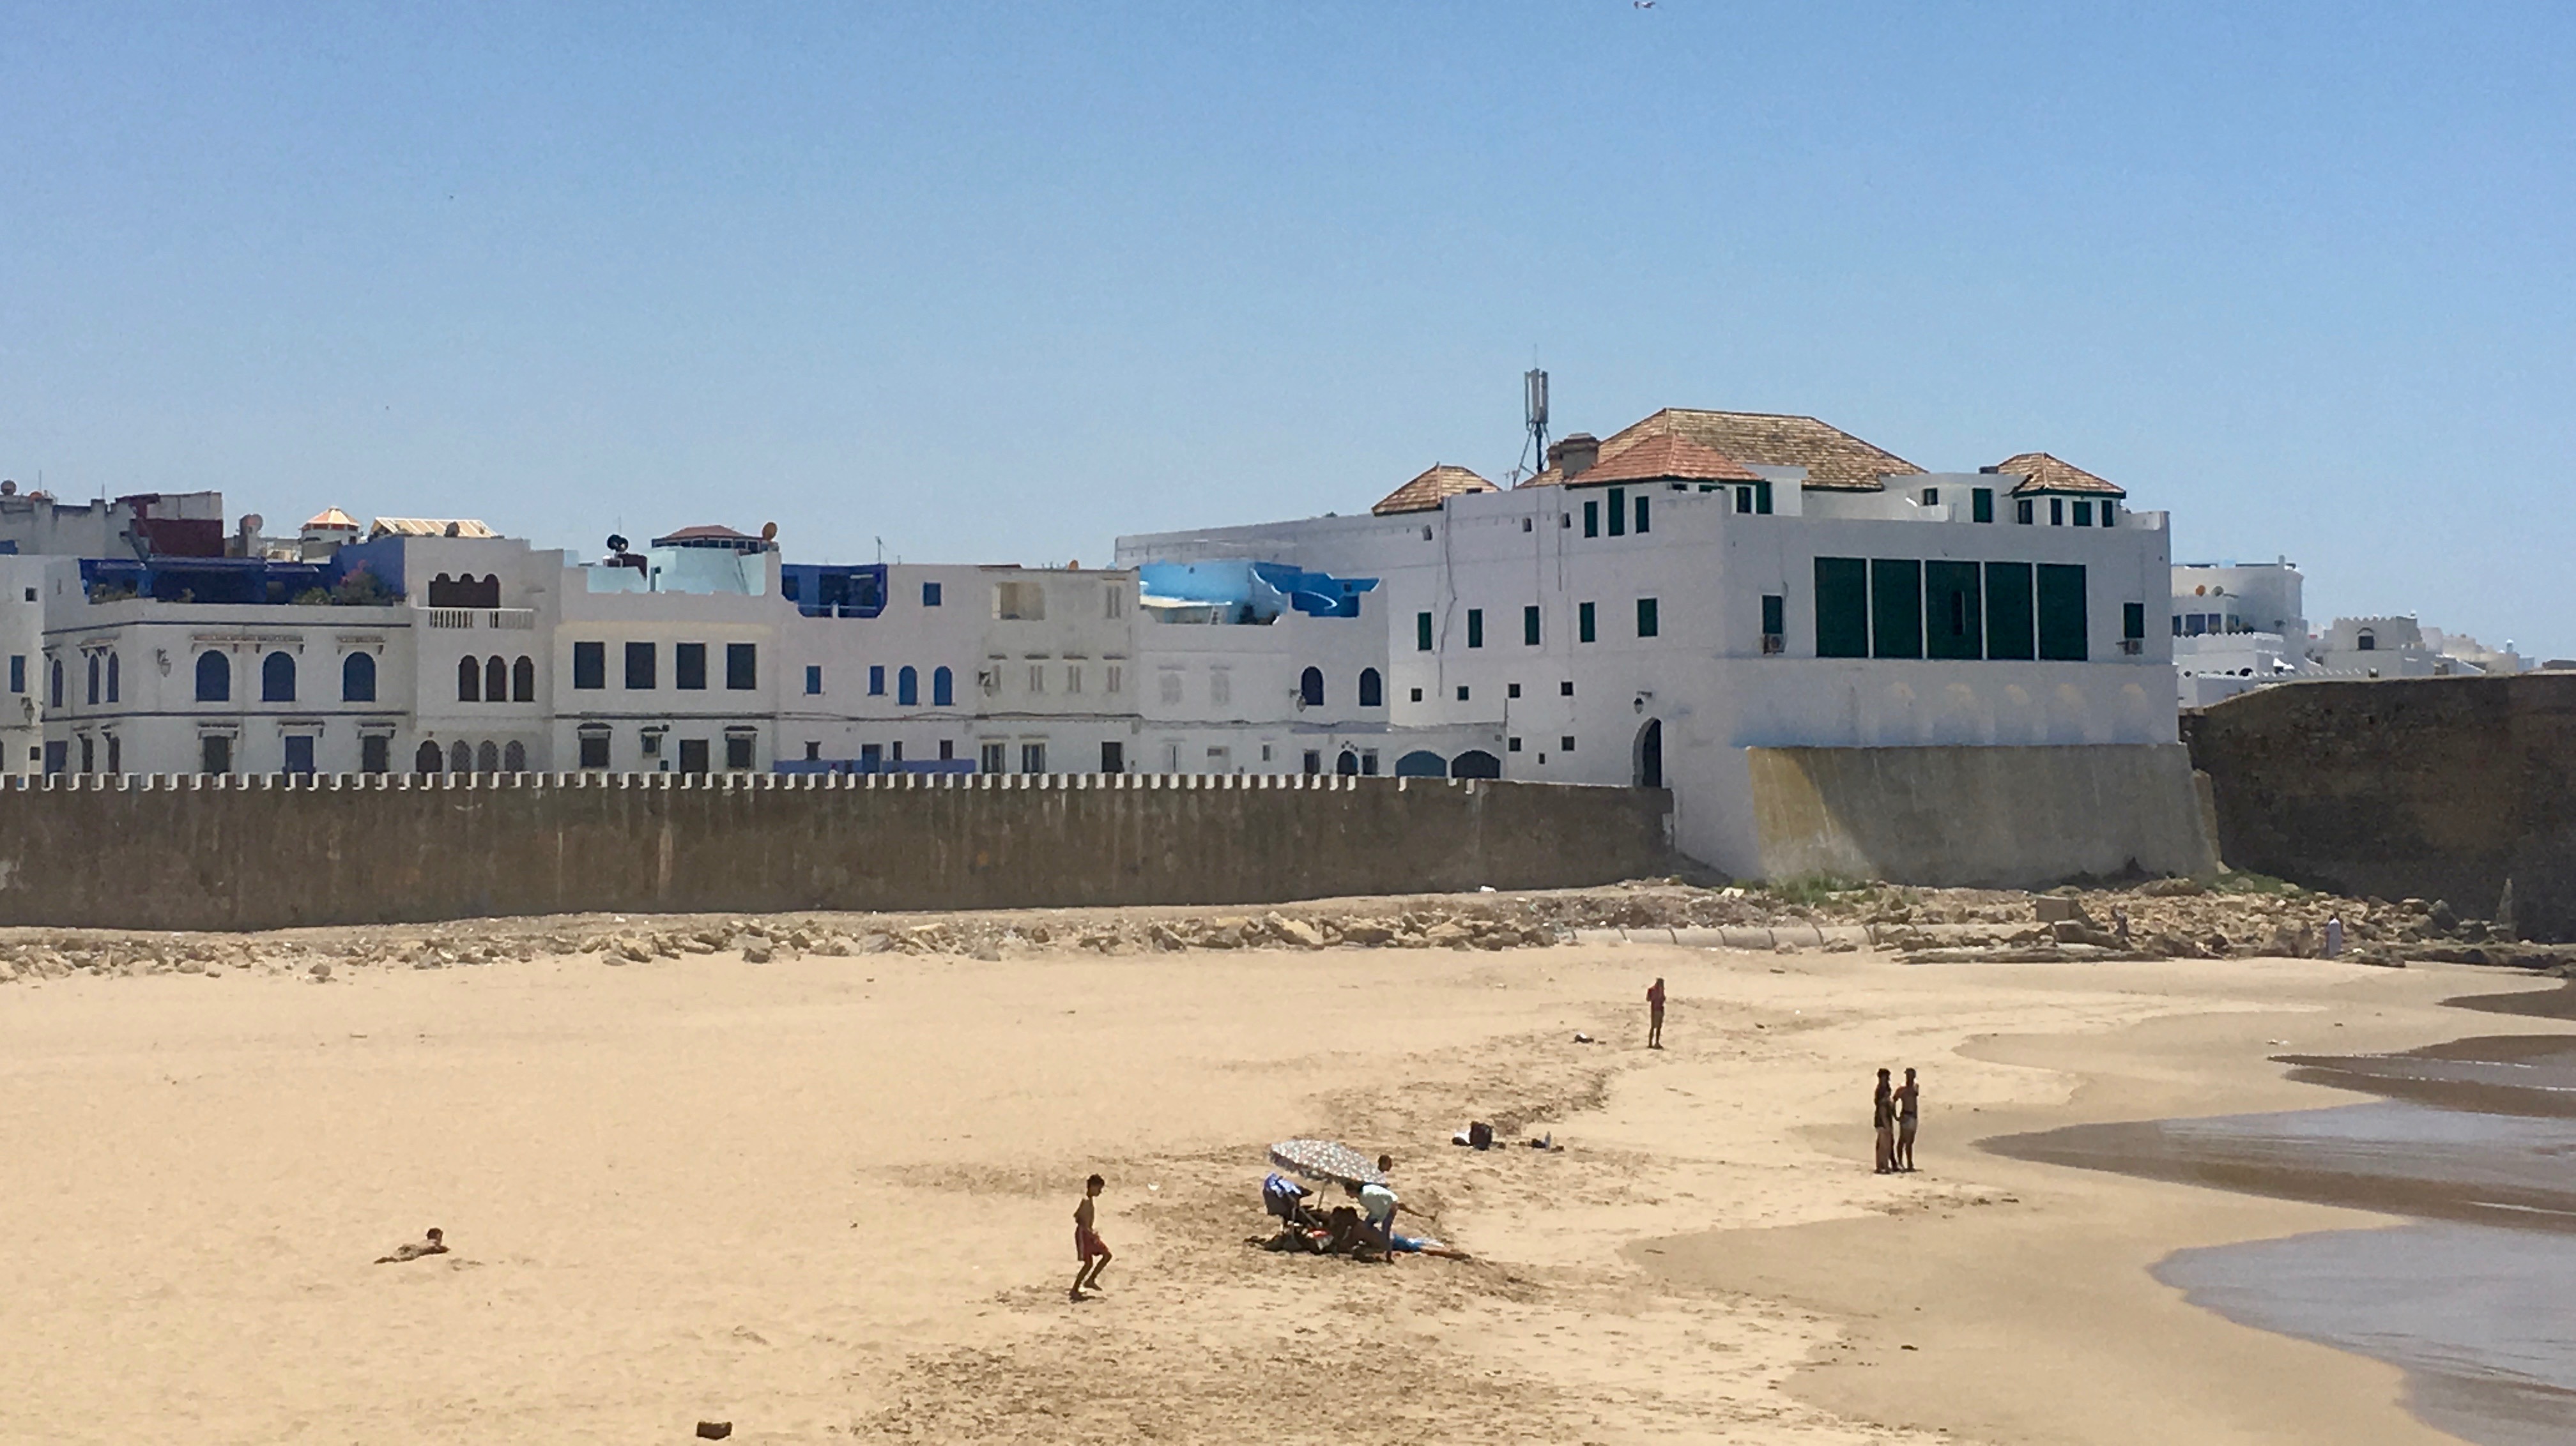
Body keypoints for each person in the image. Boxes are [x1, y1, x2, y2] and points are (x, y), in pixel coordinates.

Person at [1071, 1174, 1112, 1300]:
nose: (1100, 1191)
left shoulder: (1088, 1200)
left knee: (1104, 1256)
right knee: (1090, 1263)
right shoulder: (1086, 1201)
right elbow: (1077, 1217)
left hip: (1087, 1234)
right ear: (1092, 1187)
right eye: (1099, 1188)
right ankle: (1077, 1288)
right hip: (1084, 1235)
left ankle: (1089, 1281)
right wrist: (1089, 1231)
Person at [1895, 1067, 1921, 1172]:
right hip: (1906, 1115)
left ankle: (1908, 1162)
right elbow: (1894, 1100)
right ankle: (1904, 1162)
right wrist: (1895, 1115)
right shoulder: (1902, 1089)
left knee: (1910, 1141)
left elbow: (1915, 1094)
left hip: (1913, 1116)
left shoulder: (1915, 1087)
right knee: (1904, 1140)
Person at [376, 1227, 447, 1264]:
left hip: (410, 1247)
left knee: (398, 1257)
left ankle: (387, 1259)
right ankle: (388, 1260)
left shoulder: (424, 1242)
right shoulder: (433, 1242)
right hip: (416, 1250)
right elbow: (433, 1249)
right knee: (402, 1259)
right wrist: (446, 1250)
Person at [1873, 1069, 1896, 1174]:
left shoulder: (1882, 1088)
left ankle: (1881, 1165)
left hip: (1883, 1118)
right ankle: (1884, 1166)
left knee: (1882, 1144)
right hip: (1883, 1118)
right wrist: (1887, 1124)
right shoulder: (1882, 1089)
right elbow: (1882, 1107)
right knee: (1885, 1144)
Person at [1646, 977, 1666, 1049]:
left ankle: (1653, 1043)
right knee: (1655, 1027)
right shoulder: (1654, 990)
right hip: (1656, 1010)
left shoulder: (1657, 990)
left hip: (1658, 1010)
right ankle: (1652, 1043)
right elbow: (1648, 999)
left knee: (1657, 1027)